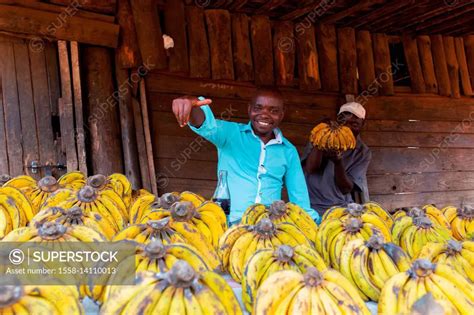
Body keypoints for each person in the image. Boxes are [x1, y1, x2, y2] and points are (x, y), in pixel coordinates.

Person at [172, 88, 320, 225]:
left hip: (270, 227)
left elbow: (300, 201)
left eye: (273, 110)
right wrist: (190, 105)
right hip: (228, 223)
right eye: (258, 108)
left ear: (281, 115)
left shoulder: (288, 151)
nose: (265, 114)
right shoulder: (230, 134)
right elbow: (206, 125)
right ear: (249, 109)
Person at [302, 102, 372, 217]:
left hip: (339, 207)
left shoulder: (362, 152)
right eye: (345, 122)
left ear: (362, 124)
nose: (348, 128)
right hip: (311, 204)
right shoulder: (320, 137)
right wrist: (321, 142)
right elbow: (310, 169)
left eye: (354, 124)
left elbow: (346, 188)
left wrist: (338, 162)